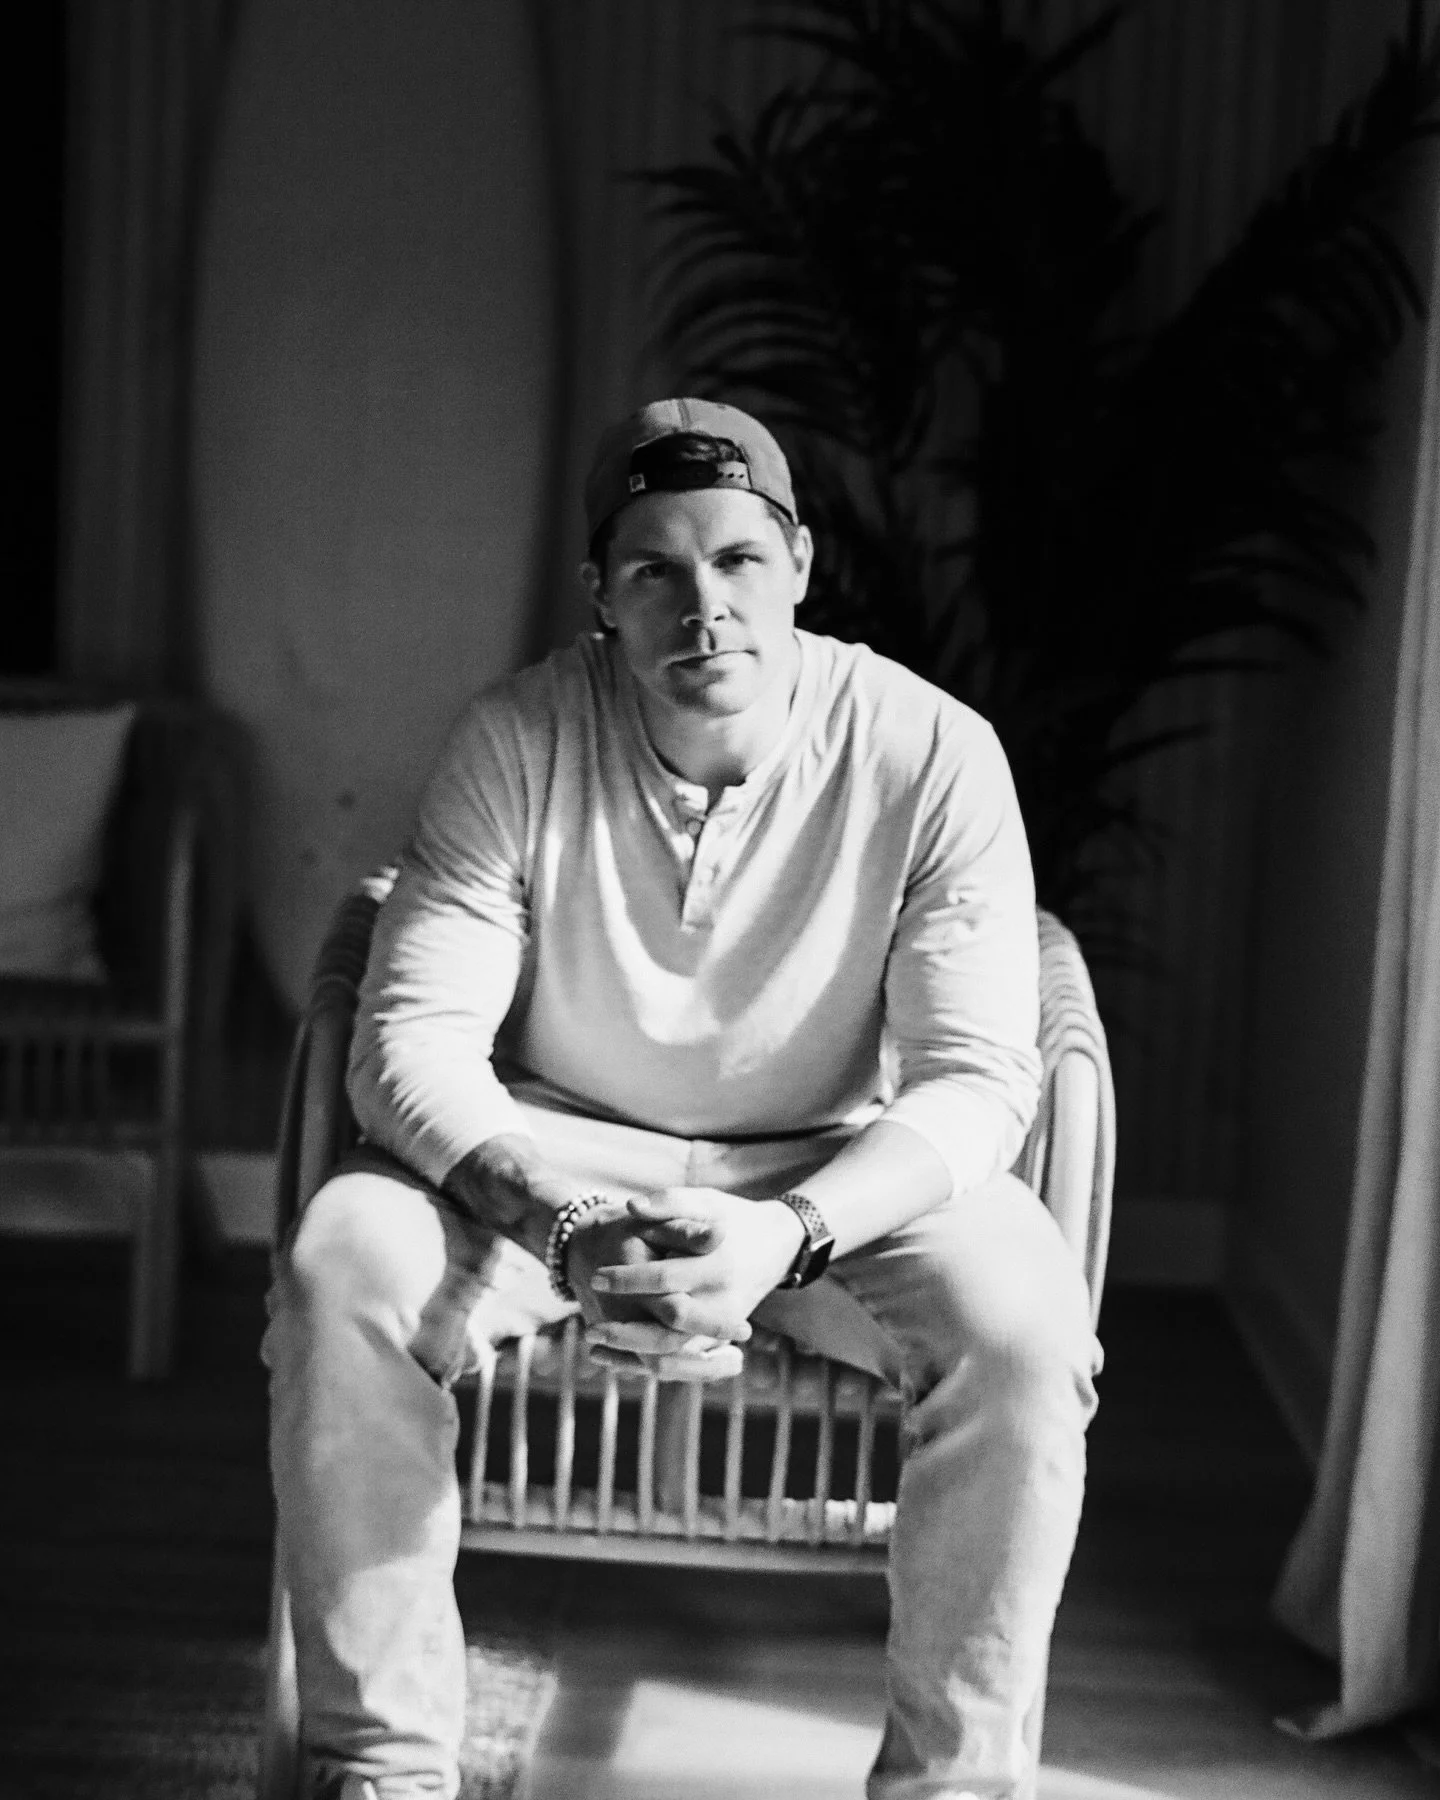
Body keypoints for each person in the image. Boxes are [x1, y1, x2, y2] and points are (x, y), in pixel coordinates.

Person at [263, 397, 1103, 1800]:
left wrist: (791, 1233)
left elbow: (974, 1080)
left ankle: (953, 1787)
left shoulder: (933, 748)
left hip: (840, 1167)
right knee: (344, 1260)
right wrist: (566, 1213)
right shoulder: (515, 734)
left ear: (801, 566)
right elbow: (406, 1043)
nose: (701, 602)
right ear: (601, 595)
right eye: (652, 566)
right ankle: (384, 1767)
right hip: (558, 1151)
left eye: (736, 559)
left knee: (1024, 1329)